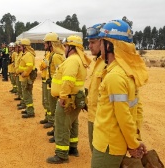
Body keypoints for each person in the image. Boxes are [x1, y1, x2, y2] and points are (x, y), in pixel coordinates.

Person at [91, 20, 148, 167]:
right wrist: (134, 139)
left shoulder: (114, 76)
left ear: (109, 45)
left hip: (108, 146)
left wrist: (134, 145)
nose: (99, 46)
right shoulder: (127, 72)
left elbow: (123, 116)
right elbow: (136, 109)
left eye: (101, 41)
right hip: (116, 143)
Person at [47, 35, 91, 164]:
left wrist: (63, 96)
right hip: (75, 98)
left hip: (68, 99)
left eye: (66, 46)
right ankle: (73, 148)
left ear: (72, 47)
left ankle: (61, 154)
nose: (64, 48)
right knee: (73, 123)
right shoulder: (79, 59)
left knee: (61, 125)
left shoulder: (72, 60)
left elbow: (68, 80)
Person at [85, 23, 107, 151]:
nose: (90, 45)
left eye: (93, 42)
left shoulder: (108, 64)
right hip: (92, 117)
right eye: (89, 42)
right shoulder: (98, 62)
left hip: (101, 121)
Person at [42, 32, 65, 138]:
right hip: (52, 85)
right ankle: (55, 129)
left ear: (51, 44)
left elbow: (59, 72)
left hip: (55, 86)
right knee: (52, 108)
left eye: (46, 43)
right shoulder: (52, 55)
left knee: (55, 110)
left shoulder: (56, 56)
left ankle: (57, 132)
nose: (44, 45)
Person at [16, 38, 36, 118]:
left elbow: (29, 66)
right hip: (24, 78)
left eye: (21, 46)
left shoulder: (28, 55)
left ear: (25, 47)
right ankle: (28, 109)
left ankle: (30, 112)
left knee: (27, 95)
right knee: (26, 95)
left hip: (26, 78)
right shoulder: (25, 54)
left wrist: (24, 74)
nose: (20, 48)